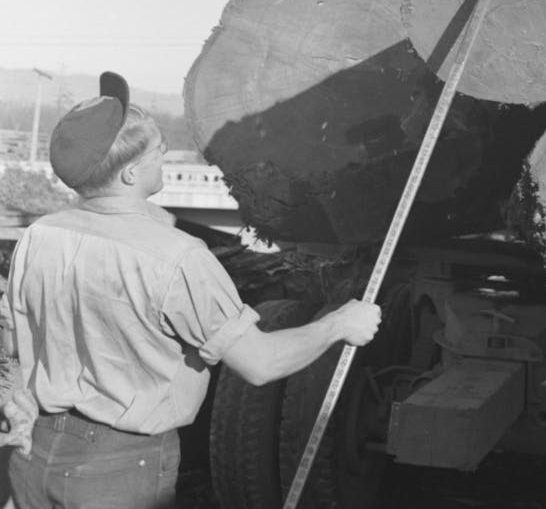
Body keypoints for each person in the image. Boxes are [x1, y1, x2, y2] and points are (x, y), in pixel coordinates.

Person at [0, 72, 381, 509]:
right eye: (154, 148)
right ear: (128, 175)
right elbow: (260, 363)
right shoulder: (180, 258)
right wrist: (338, 324)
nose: (165, 150)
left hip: (37, 455)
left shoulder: (41, 235)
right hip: (120, 471)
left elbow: (16, 339)